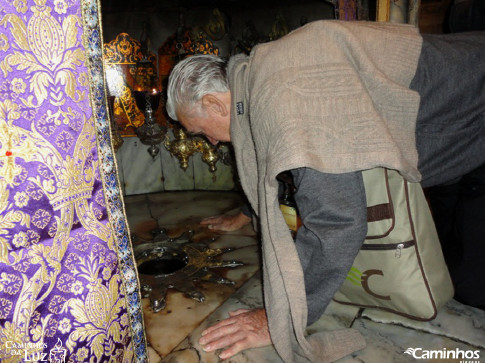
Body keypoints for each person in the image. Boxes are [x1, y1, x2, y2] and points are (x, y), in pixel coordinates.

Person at [166, 20, 485, 362]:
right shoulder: (262, 74)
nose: (210, 141)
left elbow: (336, 222)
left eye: (201, 131)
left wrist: (278, 320)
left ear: (214, 104)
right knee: (454, 260)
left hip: (472, 103)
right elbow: (268, 156)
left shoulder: (286, 99)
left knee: (473, 285)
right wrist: (248, 211)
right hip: (456, 127)